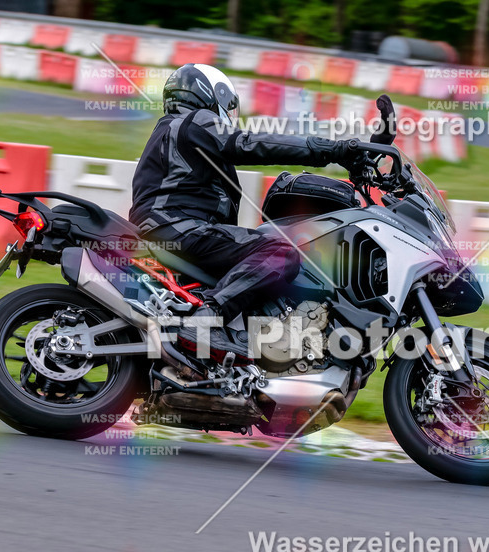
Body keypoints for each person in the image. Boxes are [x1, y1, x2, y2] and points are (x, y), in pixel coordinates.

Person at [130, 63, 364, 359]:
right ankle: (207, 320)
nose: (230, 114)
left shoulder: (175, 131)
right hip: (178, 227)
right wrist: (331, 150)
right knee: (281, 252)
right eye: (227, 102)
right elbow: (249, 144)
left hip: (172, 228)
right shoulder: (193, 121)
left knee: (258, 255)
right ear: (209, 95)